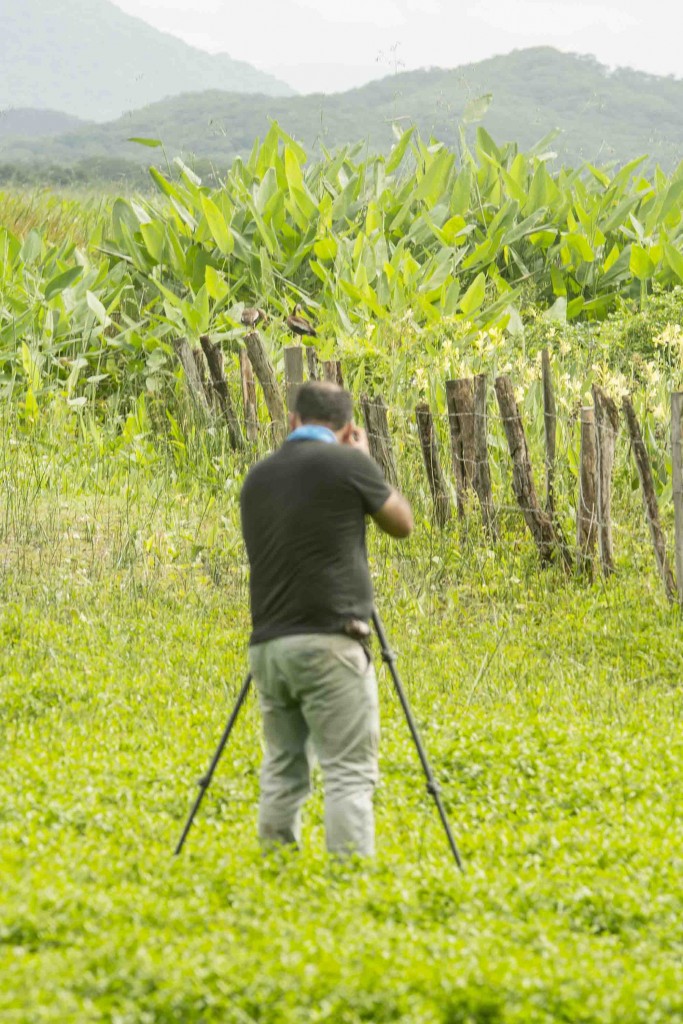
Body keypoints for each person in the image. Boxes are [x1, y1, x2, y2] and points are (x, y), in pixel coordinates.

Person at [240, 380, 413, 857]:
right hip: (332, 640)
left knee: (282, 764)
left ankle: (275, 865)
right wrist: (366, 460)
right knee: (348, 771)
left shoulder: (258, 475)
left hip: (269, 645)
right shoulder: (348, 464)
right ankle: (348, 877)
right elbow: (401, 523)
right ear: (346, 428)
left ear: (292, 420)